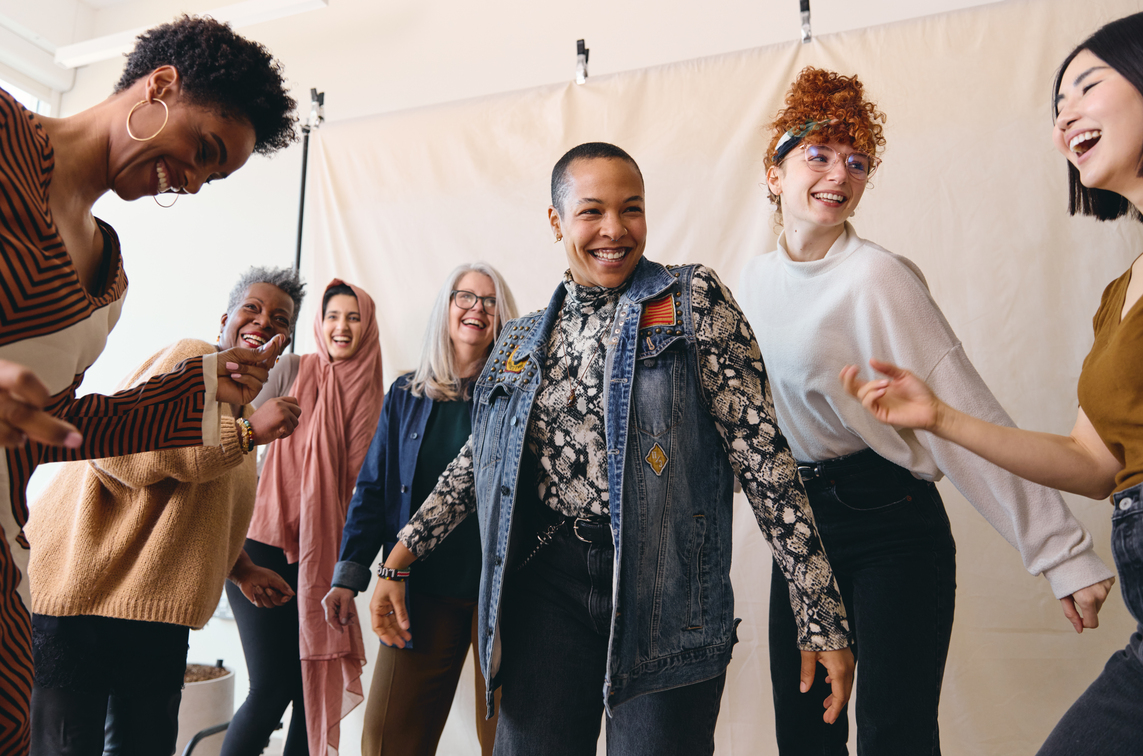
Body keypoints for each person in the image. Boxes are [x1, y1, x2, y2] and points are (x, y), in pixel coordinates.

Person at [369, 142, 854, 756]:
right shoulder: (518, 341)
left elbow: (764, 461)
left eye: (632, 209)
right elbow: (476, 463)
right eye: (591, 211)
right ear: (556, 221)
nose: (614, 230)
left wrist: (820, 611)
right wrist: (399, 559)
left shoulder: (692, 302)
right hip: (547, 585)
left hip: (667, 592)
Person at [737, 66, 1116, 755]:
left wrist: (1061, 555)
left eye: (856, 162)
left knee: (893, 732)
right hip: (801, 529)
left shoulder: (877, 278)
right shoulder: (752, 283)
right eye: (816, 155)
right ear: (773, 171)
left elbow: (963, 415)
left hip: (889, 521)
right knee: (803, 732)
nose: (837, 175)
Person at [840, 13, 1143, 756]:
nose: (1063, 116)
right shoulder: (1121, 291)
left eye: (1086, 85)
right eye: (1054, 105)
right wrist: (939, 418)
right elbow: (1093, 462)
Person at [0, 14, 295, 749]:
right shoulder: (6, 138)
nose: (192, 182)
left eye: (211, 175)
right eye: (202, 151)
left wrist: (189, 396)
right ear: (159, 86)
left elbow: (64, 433)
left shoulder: (107, 273)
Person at [24, 266, 304, 755]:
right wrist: (249, 435)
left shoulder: (242, 409)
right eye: (252, 308)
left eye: (279, 318)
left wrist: (241, 570)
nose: (263, 321)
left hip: (153, 611)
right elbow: (125, 456)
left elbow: (200, 502)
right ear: (225, 320)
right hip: (85, 591)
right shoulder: (193, 358)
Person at [321, 263, 517, 756]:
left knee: (512, 742)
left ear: (503, 317)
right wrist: (348, 576)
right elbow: (371, 490)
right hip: (416, 589)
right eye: (465, 297)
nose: (477, 308)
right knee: (388, 742)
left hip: (505, 595)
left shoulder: (517, 398)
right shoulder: (405, 395)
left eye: (490, 301)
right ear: (446, 308)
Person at [223, 280, 385, 756]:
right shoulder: (291, 369)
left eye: (353, 318)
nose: (341, 326)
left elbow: (369, 490)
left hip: (326, 554)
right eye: (332, 315)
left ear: (368, 326)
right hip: (260, 542)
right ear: (318, 323)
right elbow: (236, 433)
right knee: (271, 687)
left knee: (309, 689)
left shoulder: (379, 395)